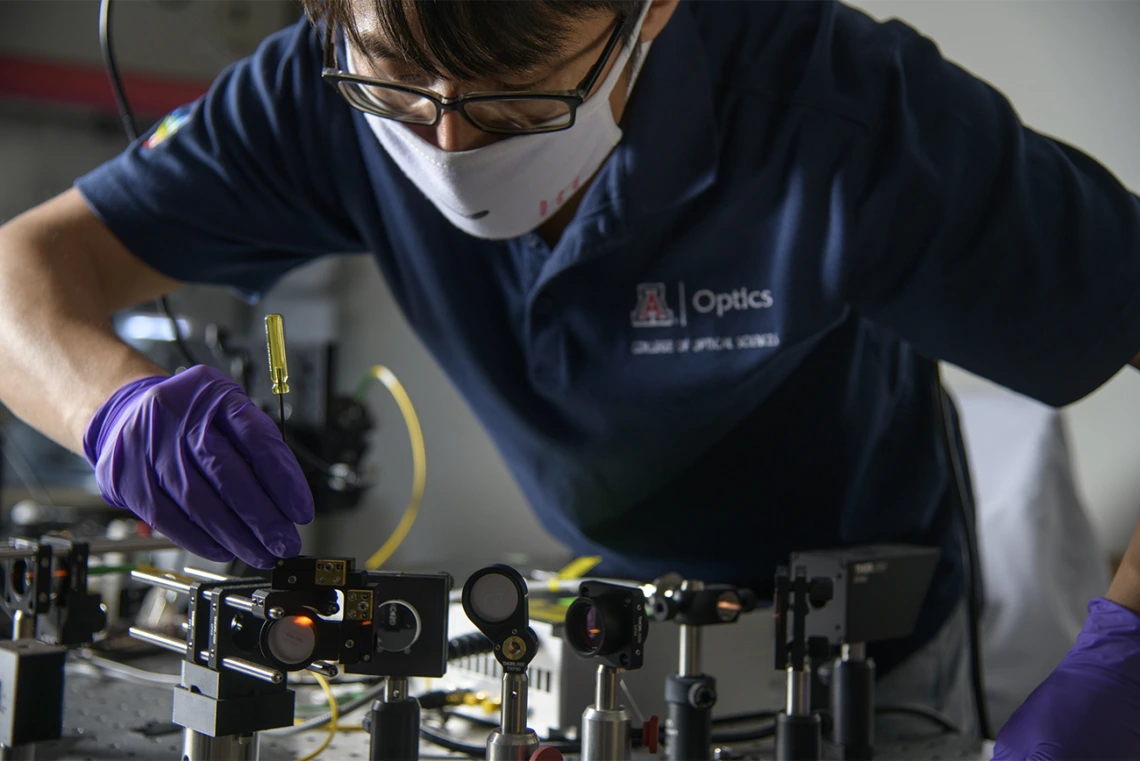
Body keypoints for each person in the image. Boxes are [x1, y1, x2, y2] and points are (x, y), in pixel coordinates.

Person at [1, 0, 1138, 755]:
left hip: (859, 669)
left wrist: (1124, 655)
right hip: (585, 634)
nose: (447, 146)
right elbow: (22, 273)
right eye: (399, 90)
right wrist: (114, 402)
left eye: (513, 103)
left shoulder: (847, 120)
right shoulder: (324, 80)